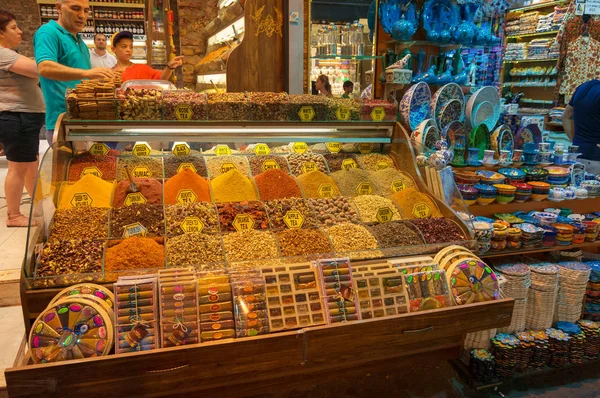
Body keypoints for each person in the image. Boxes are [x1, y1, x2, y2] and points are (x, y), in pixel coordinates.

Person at [34, 0, 115, 145]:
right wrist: (87, 73)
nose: (82, 15)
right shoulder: (48, 32)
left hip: (81, 120)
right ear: (59, 7)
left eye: (86, 10)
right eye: (75, 8)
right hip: (63, 122)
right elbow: (45, 67)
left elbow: (81, 80)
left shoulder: (79, 41)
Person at [0, 10, 46, 227]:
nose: (19, 32)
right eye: (13, 28)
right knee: (18, 167)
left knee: (29, 164)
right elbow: (39, 70)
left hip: (24, 116)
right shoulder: (3, 54)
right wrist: (51, 61)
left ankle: (38, 203)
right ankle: (14, 215)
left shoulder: (9, 53)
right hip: (16, 116)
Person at [111, 31, 183, 82]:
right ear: (113, 49)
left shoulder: (141, 69)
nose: (128, 50)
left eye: (131, 47)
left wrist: (169, 67)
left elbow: (161, 78)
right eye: (124, 46)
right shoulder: (110, 73)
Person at [562, 79, 600, 174]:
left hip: (577, 155)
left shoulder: (583, 87)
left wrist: (575, 140)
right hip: (596, 159)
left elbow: (566, 116)